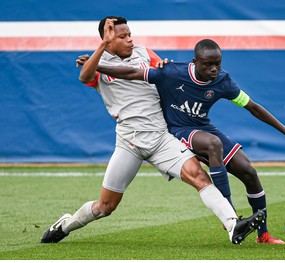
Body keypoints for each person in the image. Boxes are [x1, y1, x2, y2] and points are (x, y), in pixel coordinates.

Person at [40, 17, 264, 245]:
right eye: (122, 36)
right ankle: (66, 224)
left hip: (160, 137)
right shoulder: (98, 60)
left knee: (199, 177)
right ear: (107, 39)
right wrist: (101, 46)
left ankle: (233, 225)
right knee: (105, 206)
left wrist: (163, 65)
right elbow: (85, 77)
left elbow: (166, 73)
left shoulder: (145, 53)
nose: (129, 39)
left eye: (129, 34)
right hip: (129, 141)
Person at [93, 39, 285, 245]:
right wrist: (98, 65)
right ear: (195, 62)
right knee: (213, 144)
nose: (214, 69)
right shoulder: (172, 72)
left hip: (203, 128)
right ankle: (232, 220)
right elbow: (132, 72)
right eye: (208, 65)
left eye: (217, 64)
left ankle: (263, 234)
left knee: (248, 171)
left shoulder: (223, 81)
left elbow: (252, 106)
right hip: (177, 131)